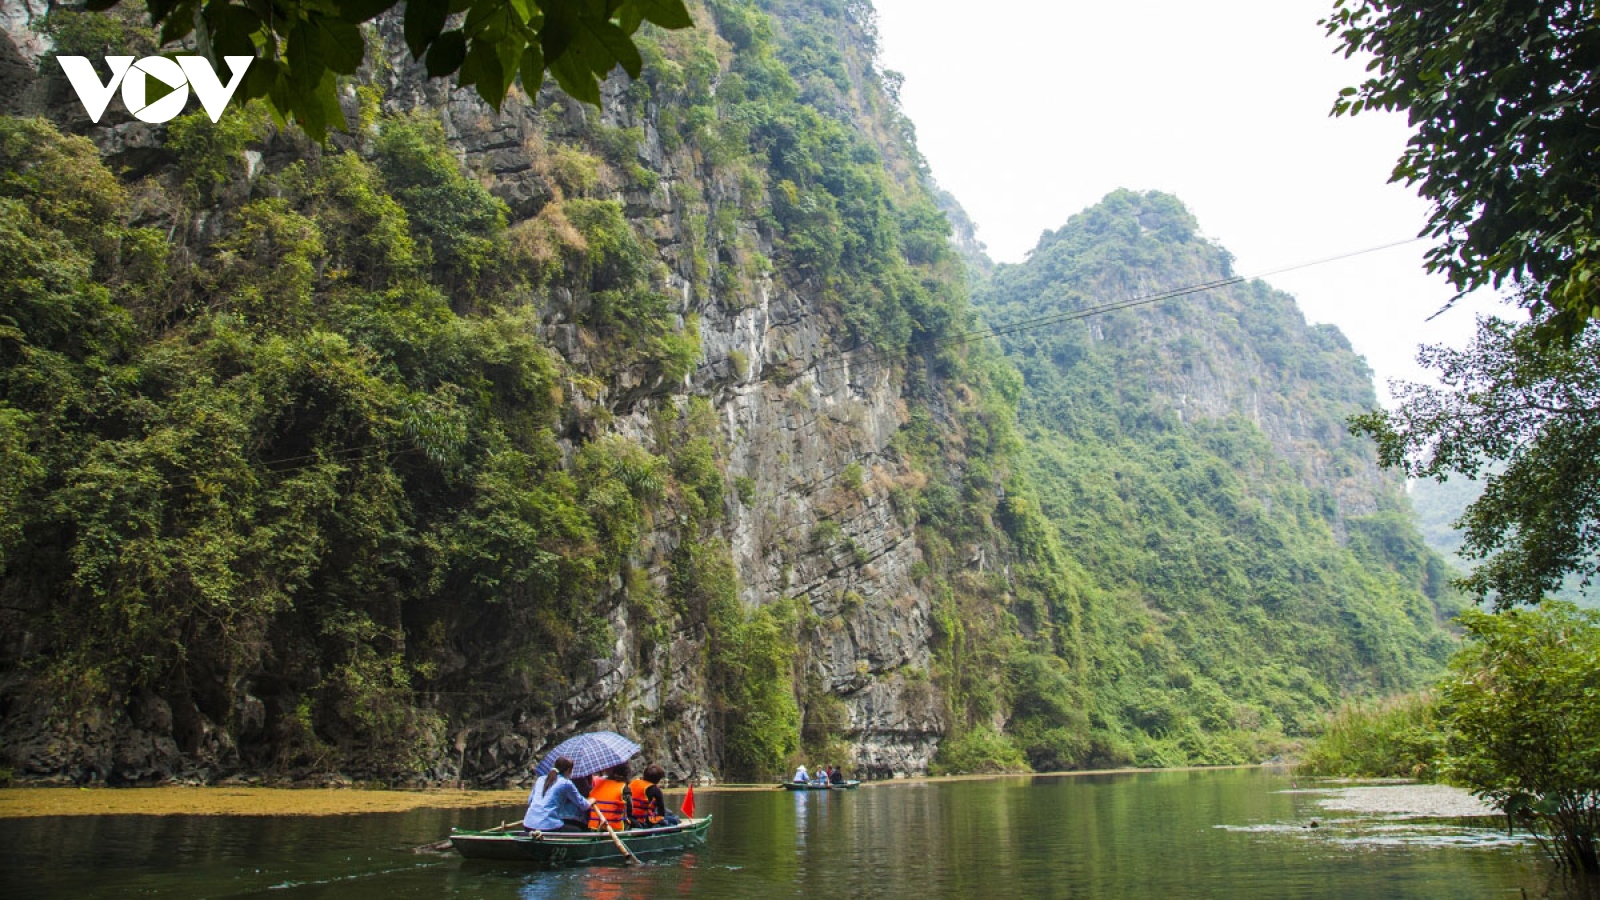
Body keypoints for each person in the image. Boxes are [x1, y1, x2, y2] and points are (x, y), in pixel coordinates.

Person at [523, 756, 592, 832]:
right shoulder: (566, 783)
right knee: (578, 830)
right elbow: (583, 805)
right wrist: (591, 801)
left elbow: (530, 801)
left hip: (527, 824)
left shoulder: (540, 779)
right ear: (568, 770)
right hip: (548, 827)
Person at [626, 763, 678, 828]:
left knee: (668, 812)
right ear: (658, 780)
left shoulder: (633, 783)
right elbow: (661, 812)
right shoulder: (655, 789)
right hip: (644, 821)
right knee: (675, 819)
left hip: (630, 819)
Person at [587, 762, 631, 831]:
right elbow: (630, 810)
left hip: (594, 828)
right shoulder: (623, 788)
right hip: (614, 829)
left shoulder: (598, 785)